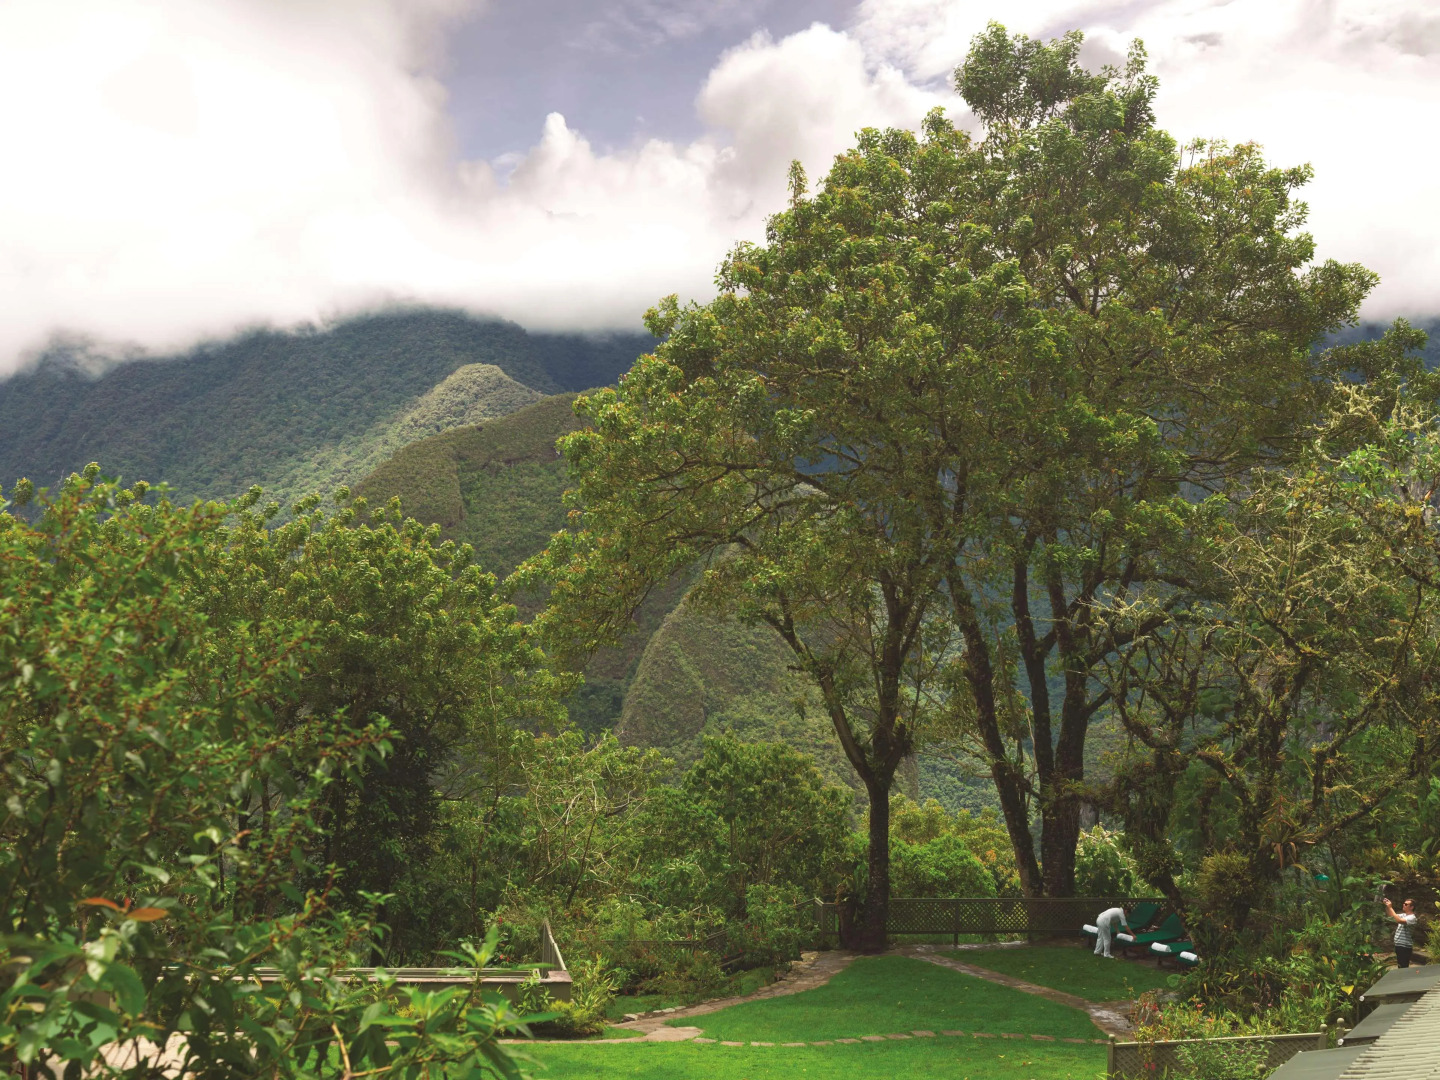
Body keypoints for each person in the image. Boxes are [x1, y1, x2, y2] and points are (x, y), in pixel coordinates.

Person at [1383, 897, 1419, 968]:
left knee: (1403, 966)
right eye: (1403, 903)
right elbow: (1391, 916)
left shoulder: (1412, 918)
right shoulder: (1403, 915)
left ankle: (1404, 979)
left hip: (1405, 946)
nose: (1403, 905)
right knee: (1400, 965)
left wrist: (1390, 907)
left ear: (1411, 907)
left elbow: (1399, 920)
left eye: (1406, 904)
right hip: (1399, 945)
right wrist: (1387, 906)